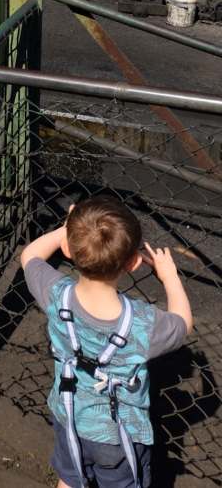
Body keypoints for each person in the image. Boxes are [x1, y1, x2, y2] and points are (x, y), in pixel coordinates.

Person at [20, 195, 192, 488]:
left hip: (68, 414)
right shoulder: (142, 325)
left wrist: (67, 230)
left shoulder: (55, 294)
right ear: (134, 263)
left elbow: (30, 256)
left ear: (68, 250)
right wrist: (170, 278)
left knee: (71, 474)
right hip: (117, 435)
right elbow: (183, 323)